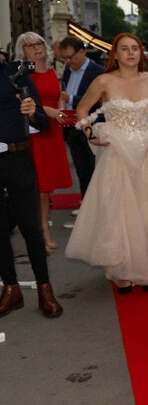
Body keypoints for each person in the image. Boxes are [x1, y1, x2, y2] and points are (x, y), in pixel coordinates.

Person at [65, 33, 148, 293]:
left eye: (135, 49)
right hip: (117, 152)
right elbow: (82, 109)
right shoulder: (104, 80)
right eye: (124, 49)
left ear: (141, 53)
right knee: (119, 210)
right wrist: (90, 133)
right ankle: (120, 269)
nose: (130, 53)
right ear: (115, 54)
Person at [0, 56, 63, 318]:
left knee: (30, 226)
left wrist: (31, 111)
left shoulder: (14, 73)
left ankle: (44, 288)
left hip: (17, 158)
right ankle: (11, 289)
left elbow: (42, 121)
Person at [15, 33, 72, 253]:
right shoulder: (21, 73)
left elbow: (56, 96)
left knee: (47, 188)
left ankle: (42, 229)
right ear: (23, 51)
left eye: (39, 43)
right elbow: (23, 101)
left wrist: (61, 109)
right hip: (34, 131)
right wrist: (50, 111)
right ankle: (41, 233)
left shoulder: (50, 71)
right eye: (30, 46)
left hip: (52, 131)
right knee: (39, 186)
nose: (37, 48)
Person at [59, 36, 104, 201]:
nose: (68, 61)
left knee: (95, 168)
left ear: (82, 52)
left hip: (92, 125)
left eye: (71, 56)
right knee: (81, 170)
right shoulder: (68, 70)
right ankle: (86, 203)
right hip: (72, 127)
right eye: (65, 58)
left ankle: (97, 204)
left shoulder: (97, 71)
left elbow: (96, 101)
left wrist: (69, 98)